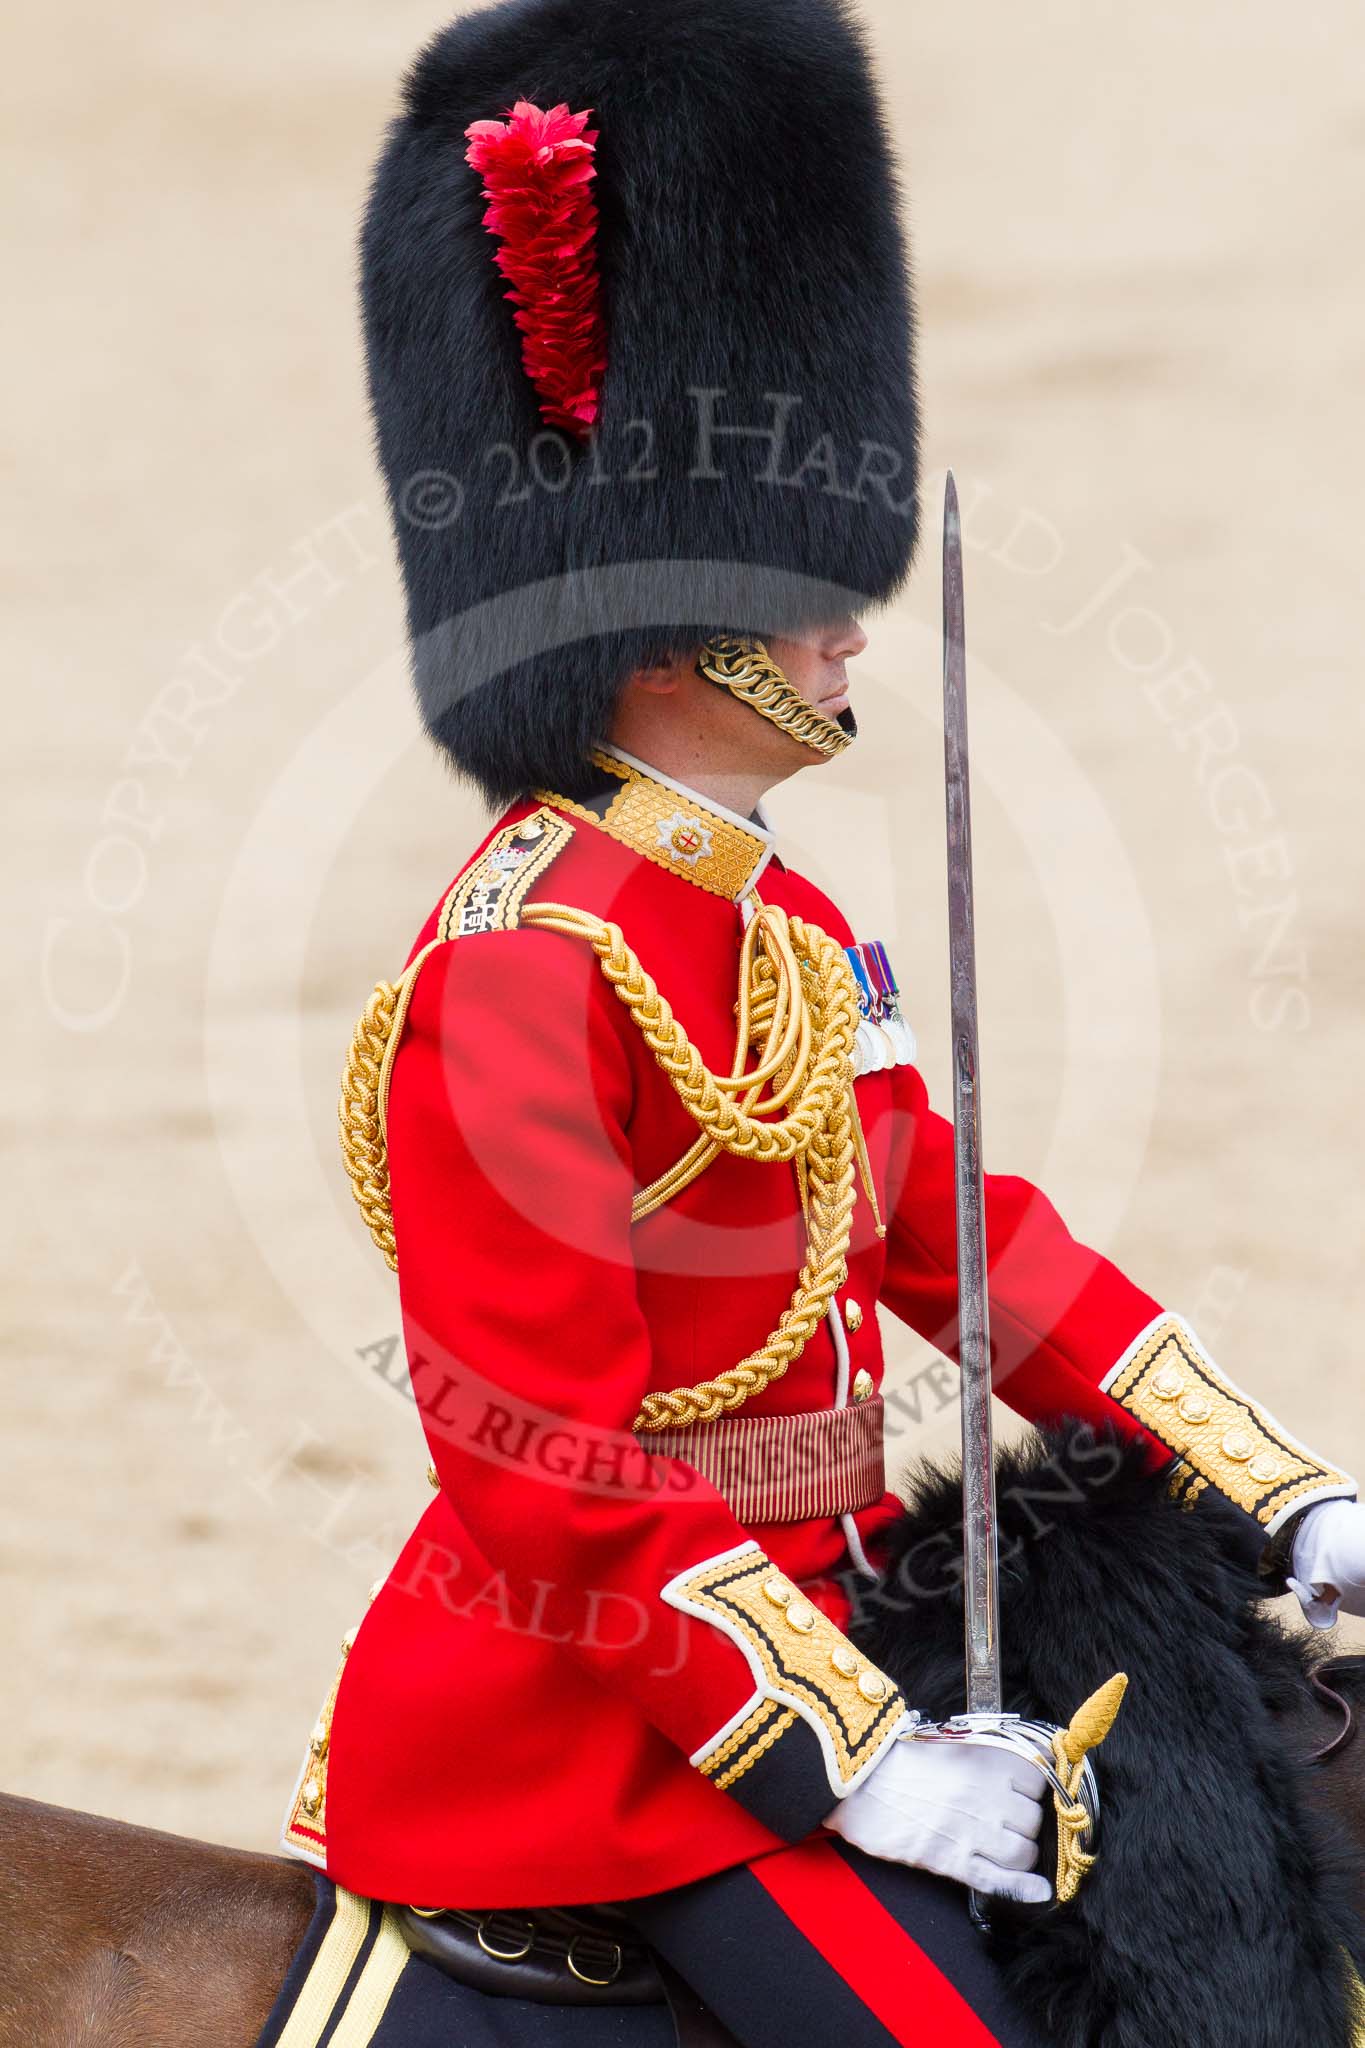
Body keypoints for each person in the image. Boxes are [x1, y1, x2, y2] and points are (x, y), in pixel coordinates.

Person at [280, 2, 1365, 2041]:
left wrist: (1272, 1484)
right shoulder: (525, 960)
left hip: (844, 1596)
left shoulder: (753, 903)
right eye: (793, 581)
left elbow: (939, 1219)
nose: (840, 616)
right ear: (658, 606)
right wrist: (849, 1753)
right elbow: (556, 1474)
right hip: (611, 1737)